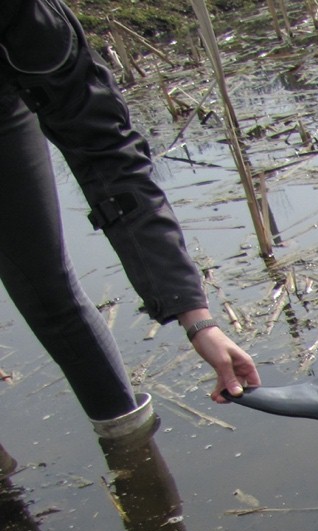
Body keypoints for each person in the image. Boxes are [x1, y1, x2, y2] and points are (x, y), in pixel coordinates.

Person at [0, 0, 259, 439]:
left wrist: (195, 318)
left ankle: (135, 457)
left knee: (47, 290)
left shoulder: (27, 18)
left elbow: (110, 157)